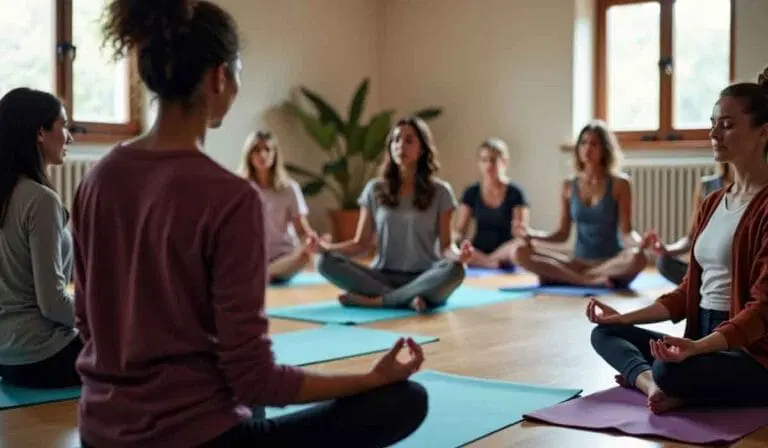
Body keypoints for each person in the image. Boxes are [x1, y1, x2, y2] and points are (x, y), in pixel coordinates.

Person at [73, 2, 427, 447]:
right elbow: (256, 380)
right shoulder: (229, 197)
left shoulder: (98, 179)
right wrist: (372, 377)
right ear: (220, 76)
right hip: (197, 440)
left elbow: (87, 324)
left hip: (100, 433)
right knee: (406, 400)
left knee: (246, 405)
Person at [588, 68, 768, 414]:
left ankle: (665, 381)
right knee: (605, 335)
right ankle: (653, 386)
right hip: (700, 331)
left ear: (763, 132)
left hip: (749, 350)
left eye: (727, 125)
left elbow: (763, 310)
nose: (714, 133)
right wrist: (623, 318)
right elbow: (688, 292)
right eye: (713, 123)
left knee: (670, 365)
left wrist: (699, 348)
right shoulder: (713, 202)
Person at [316, 116, 473, 313]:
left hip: (425, 276)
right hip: (382, 276)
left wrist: (460, 256)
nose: (400, 145)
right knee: (324, 262)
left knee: (456, 270)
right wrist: (327, 247)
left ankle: (379, 301)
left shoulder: (441, 192)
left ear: (422, 148)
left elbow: (445, 247)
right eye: (396, 140)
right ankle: (407, 299)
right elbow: (361, 243)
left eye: (409, 140)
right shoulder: (374, 189)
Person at [0, 87, 80, 389]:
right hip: (44, 355)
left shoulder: (8, 195)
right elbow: (53, 305)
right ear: (40, 133)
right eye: (63, 127)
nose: (69, 137)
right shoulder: (40, 200)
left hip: (6, 358)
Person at [511, 120, 647, 288]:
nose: (587, 148)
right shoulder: (569, 185)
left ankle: (567, 278)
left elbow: (627, 232)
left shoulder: (620, 184)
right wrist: (532, 234)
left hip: (610, 263)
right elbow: (562, 234)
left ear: (605, 150)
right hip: (577, 261)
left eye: (594, 144)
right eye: (583, 143)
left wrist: (641, 243)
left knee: (638, 258)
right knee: (519, 252)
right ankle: (585, 280)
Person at [238, 130, 321, 284]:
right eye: (257, 150)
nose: (262, 154)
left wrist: (313, 242)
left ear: (275, 154)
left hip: (284, 257)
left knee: (304, 256)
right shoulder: (240, 188)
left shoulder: (290, 188)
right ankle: (263, 274)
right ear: (249, 155)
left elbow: (302, 230)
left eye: (267, 149)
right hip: (253, 258)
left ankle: (263, 275)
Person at [648, 163, 733, 285]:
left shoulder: (760, 189)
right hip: (709, 267)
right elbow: (691, 237)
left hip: (737, 267)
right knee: (664, 262)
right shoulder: (707, 186)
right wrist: (666, 249)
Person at [454, 138, 529, 270]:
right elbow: (461, 230)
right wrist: (453, 242)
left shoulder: (515, 193)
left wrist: (518, 233)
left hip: (505, 252)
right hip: (478, 251)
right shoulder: (472, 192)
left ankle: (489, 262)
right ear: (479, 163)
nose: (489, 165)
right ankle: (491, 264)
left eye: (493, 160)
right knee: (451, 245)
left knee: (520, 246)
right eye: (484, 160)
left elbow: (520, 234)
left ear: (504, 162)